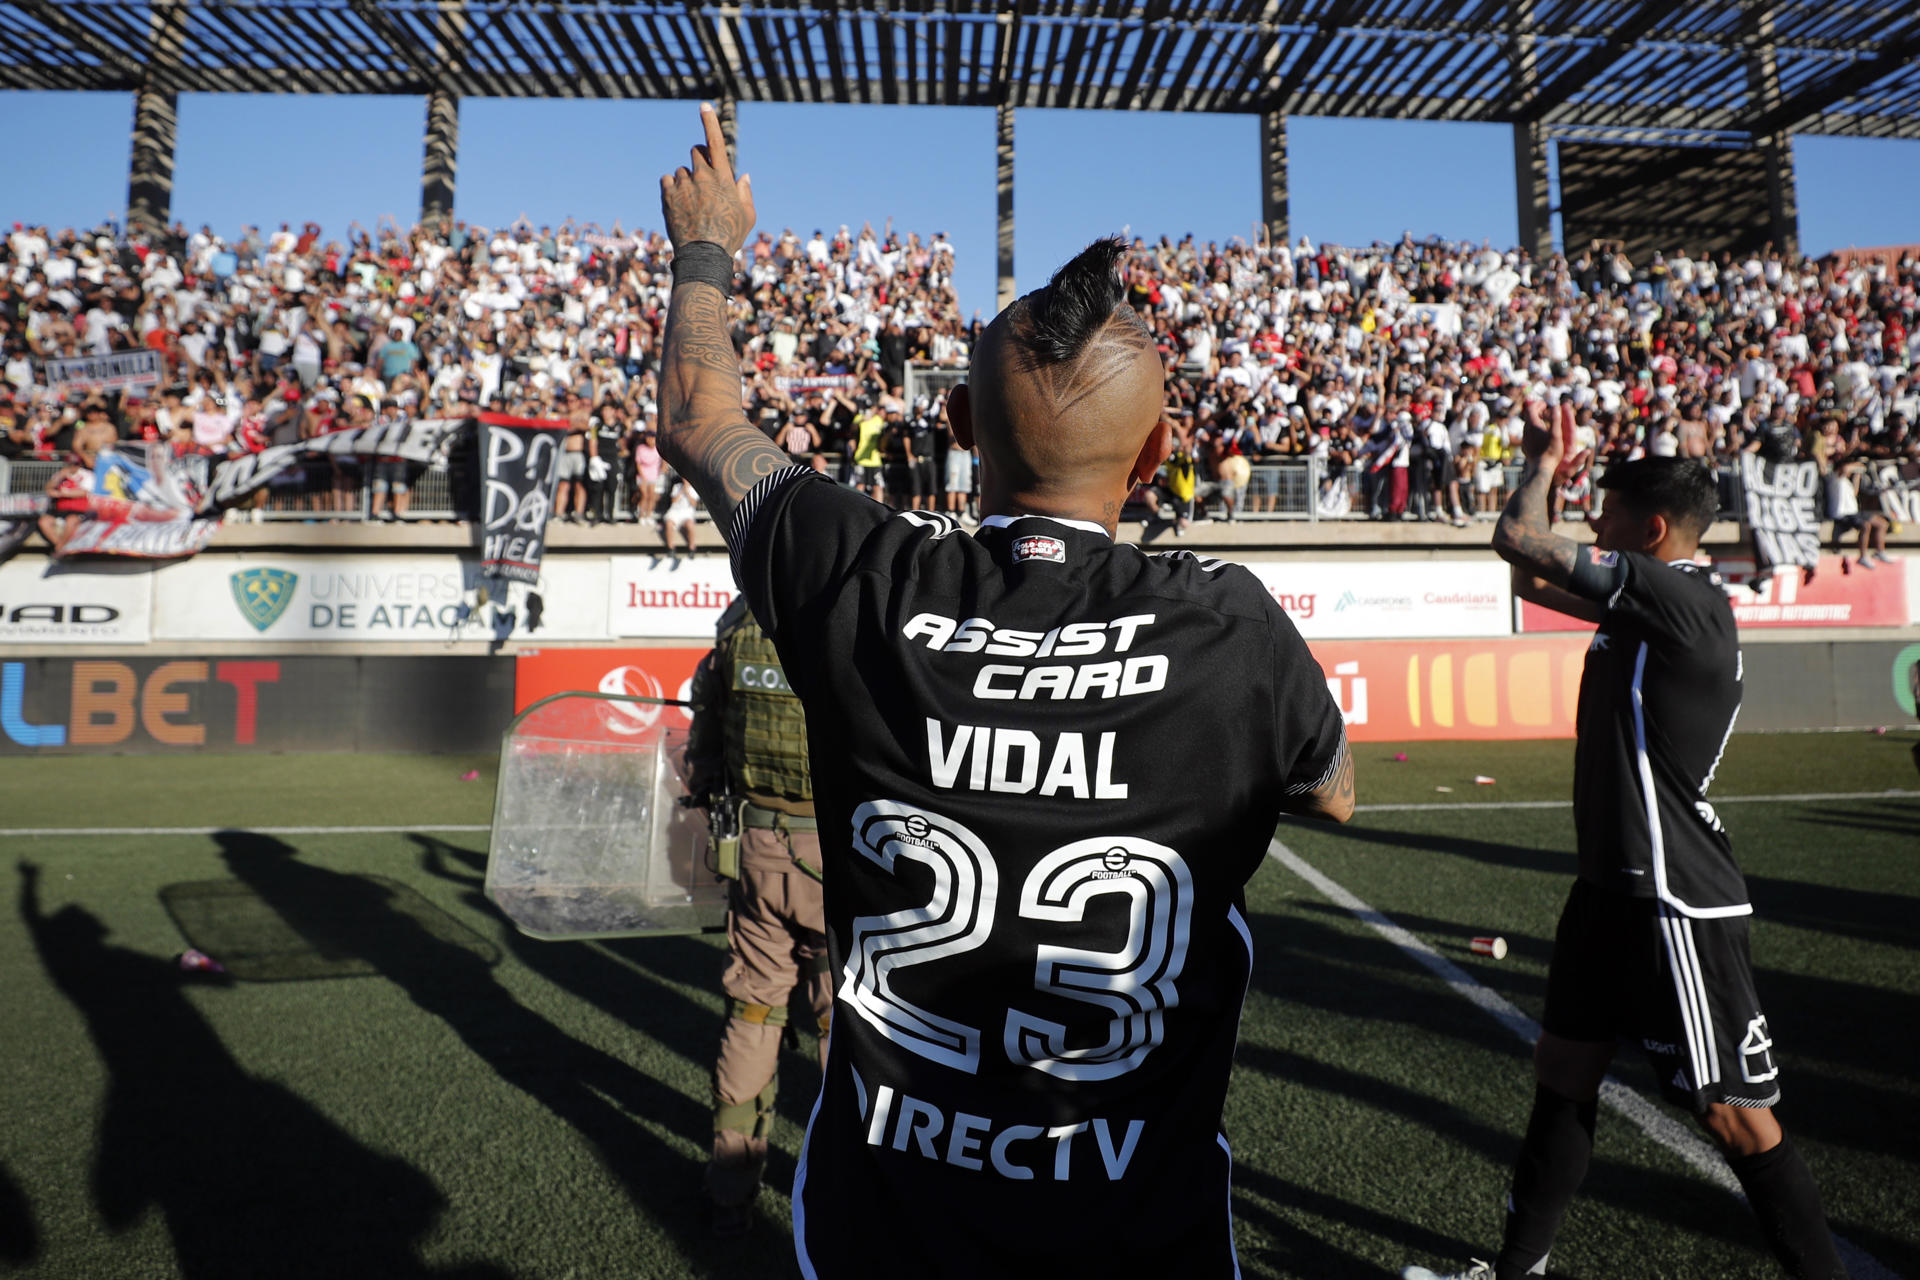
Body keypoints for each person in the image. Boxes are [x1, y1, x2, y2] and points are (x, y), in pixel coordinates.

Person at [655, 103, 1352, 1279]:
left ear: (962, 424)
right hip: (1141, 1230)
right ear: (1154, 453)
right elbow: (1331, 792)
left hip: (889, 1227)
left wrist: (707, 247)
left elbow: (695, 417)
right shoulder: (1232, 625)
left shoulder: (860, 570)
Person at [1404, 403, 1844, 1280]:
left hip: (1672, 897)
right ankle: (1516, 1270)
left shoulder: (1681, 596)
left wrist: (1541, 466)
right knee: (1564, 1071)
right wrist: (1550, 485)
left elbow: (1518, 539)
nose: (1591, 528)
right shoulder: (1653, 603)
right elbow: (1530, 579)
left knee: (1735, 1117)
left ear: (1649, 530)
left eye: (1604, 516)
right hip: (1610, 889)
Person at [684, 597, 831, 1237]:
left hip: (756, 849)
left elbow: (705, 747)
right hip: (841, 858)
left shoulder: (736, 625)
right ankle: (852, 1193)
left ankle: (730, 1188)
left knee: (752, 1014)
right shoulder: (849, 615)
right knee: (846, 1025)